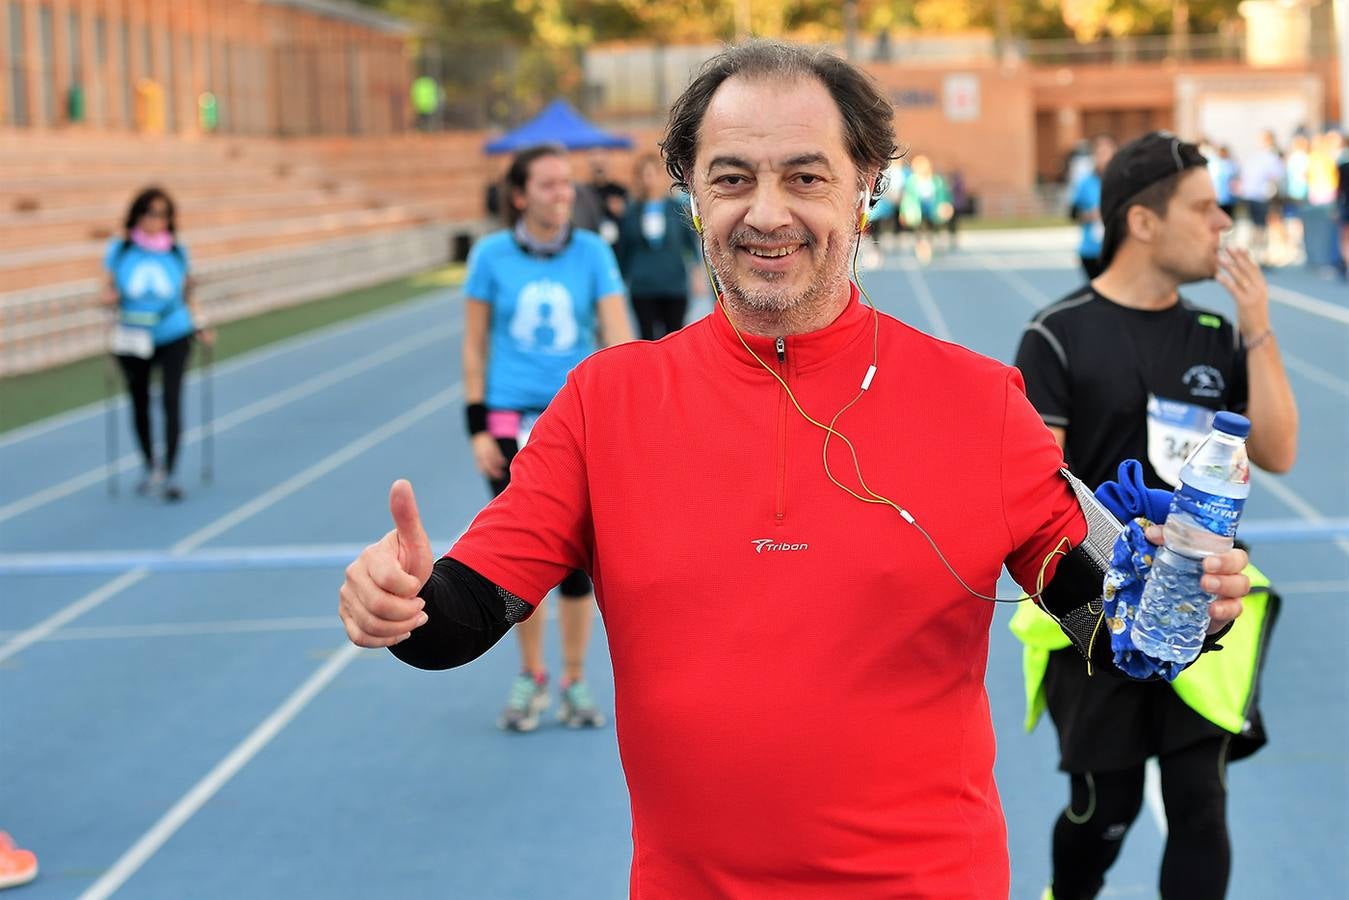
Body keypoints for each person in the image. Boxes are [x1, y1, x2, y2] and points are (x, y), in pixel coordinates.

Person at [339, 42, 1251, 898]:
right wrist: (405, 600)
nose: (766, 212)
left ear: (866, 191)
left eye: (805, 177)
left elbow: (1105, 625)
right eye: (730, 179)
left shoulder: (982, 404)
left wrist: (1190, 605)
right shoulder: (603, 401)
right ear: (691, 196)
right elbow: (466, 613)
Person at [1011, 131, 1298, 900]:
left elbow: (1277, 449)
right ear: (1142, 221)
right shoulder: (1056, 334)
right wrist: (1122, 562)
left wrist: (1256, 323)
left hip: (1204, 605)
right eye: (1204, 209)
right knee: (1106, 808)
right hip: (1095, 610)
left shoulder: (1210, 333)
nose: (1222, 225)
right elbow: (1039, 486)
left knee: (1200, 804)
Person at [460, 142, 632, 732]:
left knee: (580, 564)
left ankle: (575, 678)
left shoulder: (591, 253)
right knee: (519, 559)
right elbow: (474, 345)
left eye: (568, 184)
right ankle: (531, 674)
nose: (563, 194)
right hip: (509, 421)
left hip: (573, 424)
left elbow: (617, 335)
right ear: (519, 195)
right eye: (549, 184)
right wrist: (477, 424)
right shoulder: (489, 255)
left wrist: (623, 412)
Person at [100, 186, 213, 502]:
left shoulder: (177, 250)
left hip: (174, 332)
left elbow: (188, 294)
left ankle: (172, 471)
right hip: (133, 336)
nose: (157, 220)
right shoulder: (120, 250)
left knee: (172, 401)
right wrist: (108, 299)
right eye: (151, 213)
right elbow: (105, 290)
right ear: (137, 215)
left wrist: (200, 323)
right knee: (139, 402)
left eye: (164, 214)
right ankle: (151, 466)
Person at [615, 154, 701, 340]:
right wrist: (618, 284)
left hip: (673, 285)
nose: (649, 180)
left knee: (674, 337)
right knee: (647, 339)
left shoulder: (676, 209)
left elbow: (690, 244)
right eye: (645, 175)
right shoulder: (630, 212)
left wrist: (696, 275)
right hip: (643, 287)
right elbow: (623, 251)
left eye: (653, 174)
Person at [1069, 134, 1116, 279]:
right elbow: (1073, 213)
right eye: (1100, 153)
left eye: (1107, 152)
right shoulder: (1085, 182)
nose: (1104, 157)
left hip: (1115, 250)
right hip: (1091, 250)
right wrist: (1091, 215)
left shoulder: (1121, 181)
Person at [898, 153, 953, 264]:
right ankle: (921, 248)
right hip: (916, 210)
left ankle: (929, 246)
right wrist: (903, 212)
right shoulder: (911, 181)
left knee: (930, 229)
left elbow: (944, 195)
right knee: (920, 230)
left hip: (933, 209)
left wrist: (947, 206)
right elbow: (906, 198)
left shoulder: (937, 180)